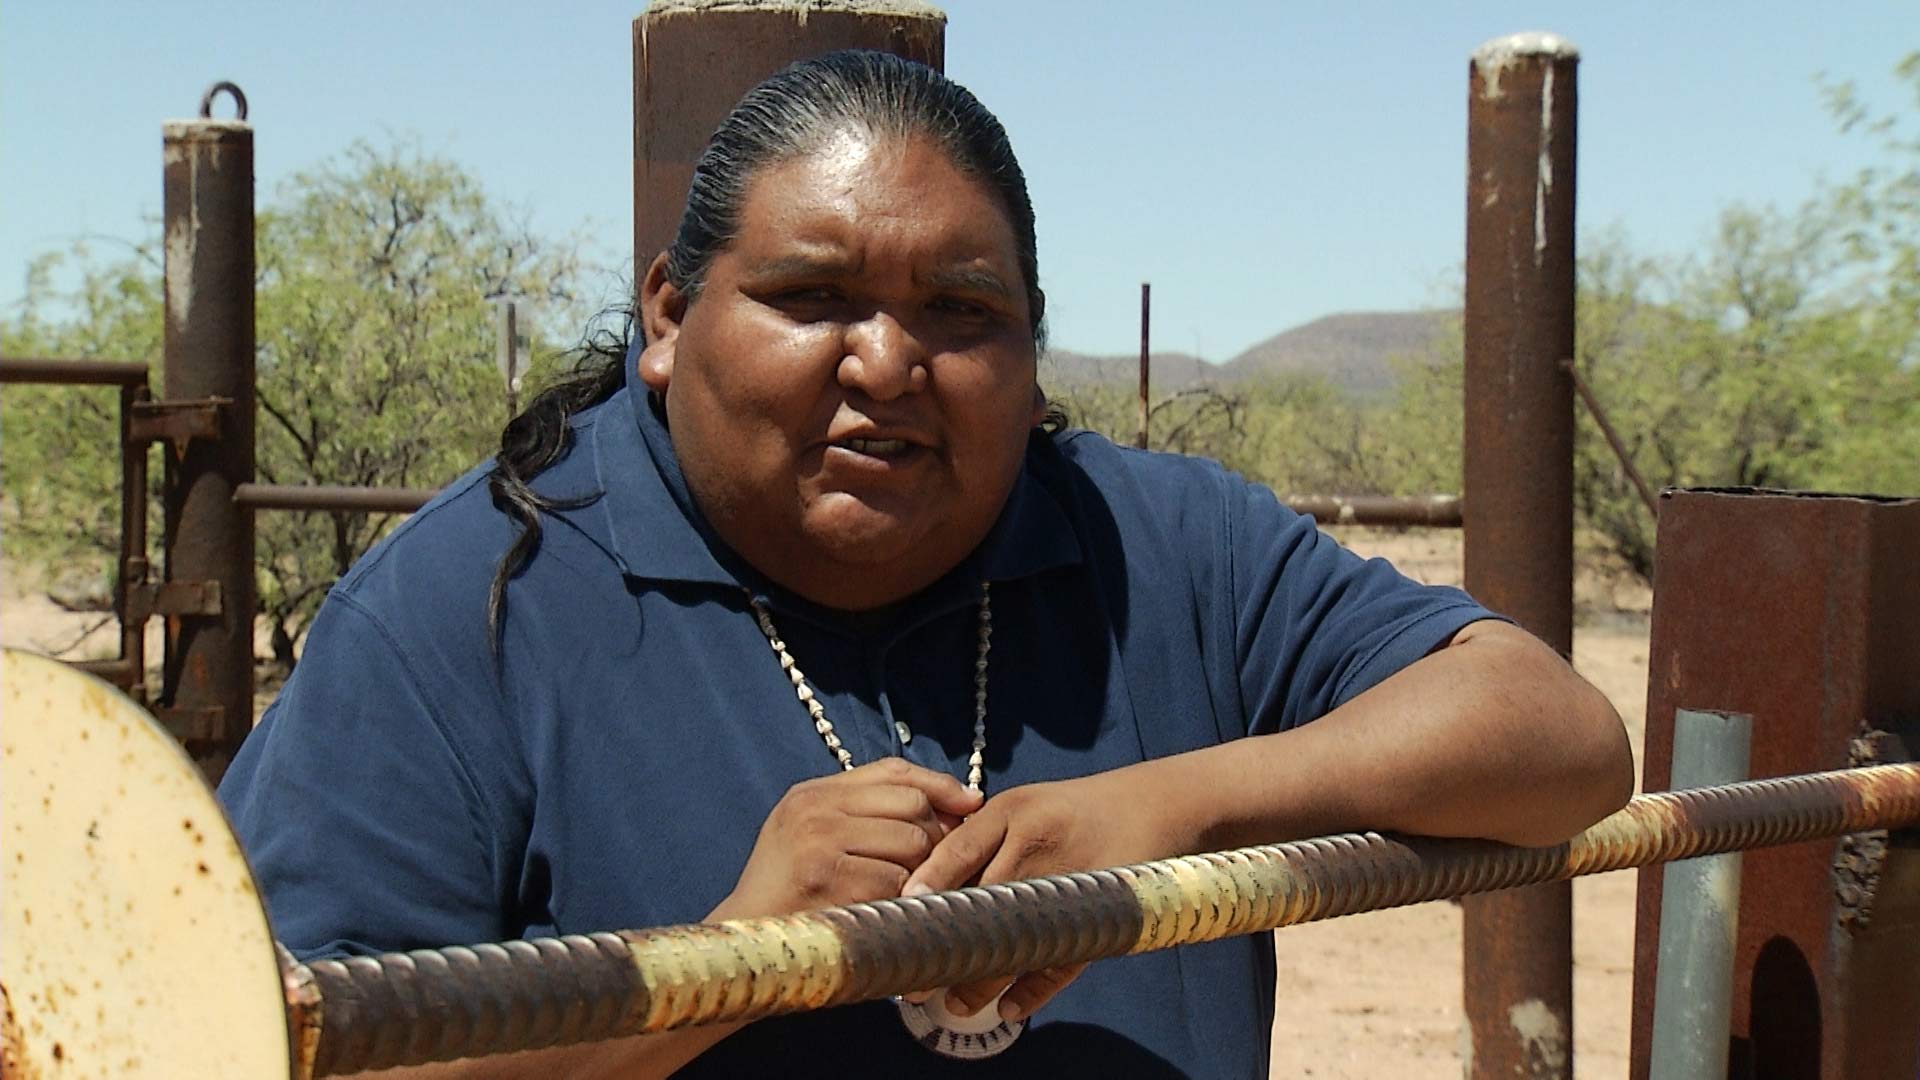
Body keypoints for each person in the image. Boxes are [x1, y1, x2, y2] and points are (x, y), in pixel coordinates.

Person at [218, 50, 1632, 1079]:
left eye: (959, 310)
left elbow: (1559, 741)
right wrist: (730, 959)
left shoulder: (1158, 543)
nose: (887, 362)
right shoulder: (472, 601)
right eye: (813, 296)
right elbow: (278, 1051)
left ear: (1025, 344)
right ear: (668, 314)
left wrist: (1169, 815)